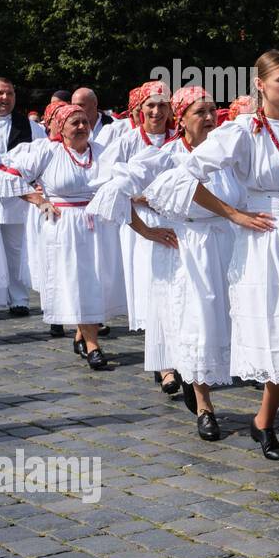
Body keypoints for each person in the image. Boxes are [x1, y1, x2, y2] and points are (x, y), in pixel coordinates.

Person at [155, 50, 279, 487]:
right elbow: (184, 177)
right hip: (265, 242)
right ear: (260, 84)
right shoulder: (243, 130)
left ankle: (263, 420)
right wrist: (233, 214)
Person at [90, 86, 243, 441]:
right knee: (196, 323)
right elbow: (114, 189)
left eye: (211, 111)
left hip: (228, 243)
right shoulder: (168, 155)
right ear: (182, 118)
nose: (208, 118)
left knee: (234, 318)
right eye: (199, 112)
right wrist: (145, 230)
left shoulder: (229, 153)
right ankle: (205, 406)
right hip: (186, 247)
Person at [0, 99, 126, 369]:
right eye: (74, 123)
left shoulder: (102, 152)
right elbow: (7, 173)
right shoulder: (48, 151)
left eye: (84, 122)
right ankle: (93, 345)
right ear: (61, 128)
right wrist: (38, 199)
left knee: (97, 281)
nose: (81, 127)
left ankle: (82, 334)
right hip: (63, 224)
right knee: (77, 282)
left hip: (98, 223)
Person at [100, 82, 181, 393]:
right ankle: (165, 366)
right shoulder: (128, 141)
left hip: (176, 221)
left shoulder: (179, 139)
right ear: (138, 110)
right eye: (151, 105)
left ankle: (178, 358)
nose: (157, 111)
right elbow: (108, 183)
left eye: (162, 105)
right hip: (141, 225)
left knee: (178, 290)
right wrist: (138, 197)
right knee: (153, 290)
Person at [0, 76, 44, 317]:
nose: (4, 98)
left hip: (17, 198)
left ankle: (19, 298)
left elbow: (44, 156)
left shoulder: (31, 127)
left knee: (16, 249)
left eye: (9, 93)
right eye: (0, 93)